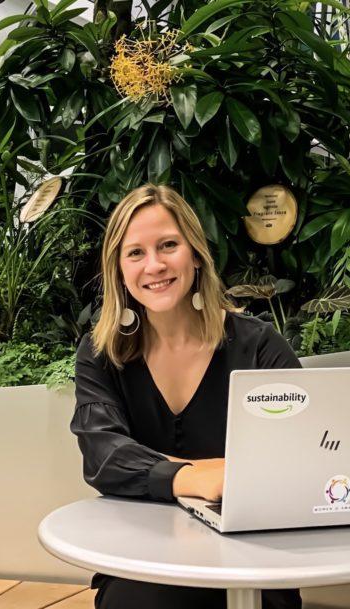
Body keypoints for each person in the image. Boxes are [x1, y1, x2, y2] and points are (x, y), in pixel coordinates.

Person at [71, 184, 302, 609]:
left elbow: (301, 453)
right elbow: (103, 455)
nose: (154, 265)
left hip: (252, 557)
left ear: (195, 253)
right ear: (119, 270)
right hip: (143, 557)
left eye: (168, 245)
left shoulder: (257, 346)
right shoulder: (101, 354)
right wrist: (201, 476)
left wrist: (159, 472)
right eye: (135, 253)